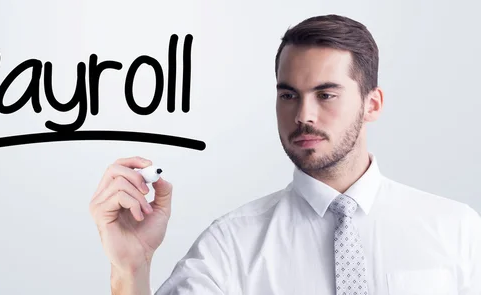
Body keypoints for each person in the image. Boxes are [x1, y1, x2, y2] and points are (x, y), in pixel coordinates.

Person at [89, 14, 481, 294]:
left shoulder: (456, 230)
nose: (303, 116)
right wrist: (130, 270)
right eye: (288, 95)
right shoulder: (232, 244)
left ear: (372, 104)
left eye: (326, 95)